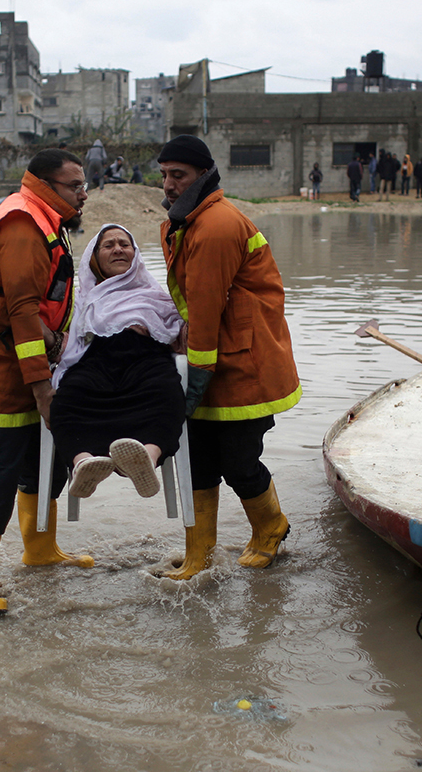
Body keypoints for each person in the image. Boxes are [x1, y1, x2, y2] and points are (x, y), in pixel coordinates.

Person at [0, 148, 93, 616]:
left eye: (84, 185)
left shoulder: (48, 220)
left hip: (23, 365)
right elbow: (22, 312)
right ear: (46, 185)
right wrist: (43, 388)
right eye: (75, 186)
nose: (84, 193)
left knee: (43, 466)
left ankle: (40, 550)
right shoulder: (24, 224)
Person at [155, 135, 302, 580]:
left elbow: (205, 305)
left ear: (202, 174)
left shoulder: (216, 225)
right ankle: (199, 554)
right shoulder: (187, 223)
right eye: (163, 176)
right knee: (198, 460)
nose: (168, 185)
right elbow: (191, 306)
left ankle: (271, 528)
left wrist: (195, 377)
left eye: (177, 175)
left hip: (244, 366)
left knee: (239, 462)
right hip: (213, 360)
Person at [50, 225, 185, 499]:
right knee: (66, 400)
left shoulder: (155, 294)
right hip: (95, 364)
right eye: (108, 245)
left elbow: (177, 332)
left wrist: (154, 327)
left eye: (124, 244)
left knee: (168, 393)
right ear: (95, 258)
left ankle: (146, 458)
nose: (118, 249)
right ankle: (84, 463)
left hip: (146, 362)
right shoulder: (82, 298)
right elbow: (70, 336)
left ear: (135, 254)